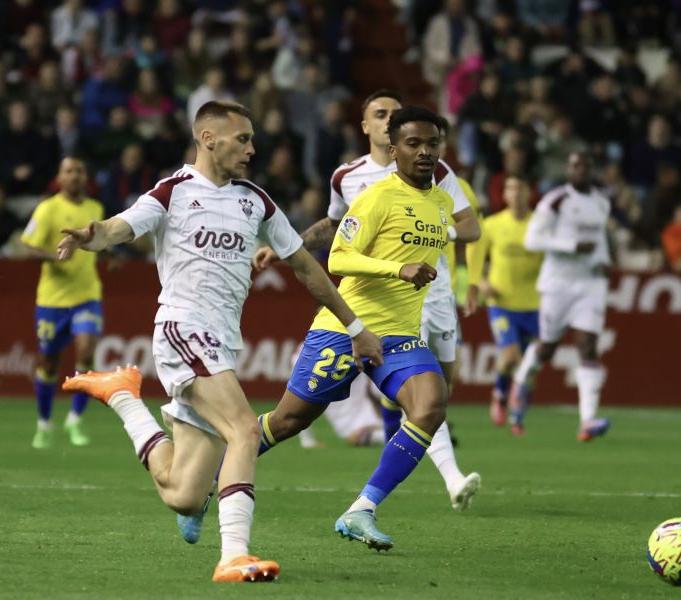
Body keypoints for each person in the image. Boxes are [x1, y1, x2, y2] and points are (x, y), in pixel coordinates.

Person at [57, 100, 383, 583]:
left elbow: (305, 267)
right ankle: (233, 554)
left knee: (184, 495)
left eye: (252, 140)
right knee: (245, 429)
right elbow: (119, 227)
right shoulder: (173, 191)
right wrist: (92, 235)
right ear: (208, 139)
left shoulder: (256, 201)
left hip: (221, 345)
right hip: (183, 330)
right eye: (243, 139)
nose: (252, 149)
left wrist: (355, 327)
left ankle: (123, 397)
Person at [253, 90, 482, 512]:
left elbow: (470, 227)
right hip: (352, 323)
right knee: (289, 420)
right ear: (384, 139)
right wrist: (291, 249)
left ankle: (364, 509)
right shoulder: (361, 185)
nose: (425, 151)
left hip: (411, 320)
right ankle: (217, 470)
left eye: (432, 143)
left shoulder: (441, 194)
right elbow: (338, 245)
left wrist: (457, 264)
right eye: (413, 142)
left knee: (433, 401)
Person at [510, 153, 612, 442]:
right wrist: (571, 245)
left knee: (588, 346)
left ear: (591, 170)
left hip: (590, 283)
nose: (580, 170)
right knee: (547, 348)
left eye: (585, 166)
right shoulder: (555, 200)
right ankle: (521, 380)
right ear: (568, 170)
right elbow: (532, 240)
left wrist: (604, 260)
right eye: (575, 166)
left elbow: (599, 239)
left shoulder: (602, 202)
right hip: (558, 285)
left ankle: (587, 420)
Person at [20, 157, 103, 449]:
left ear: (85, 176)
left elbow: (99, 243)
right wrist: (53, 257)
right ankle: (44, 424)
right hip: (52, 300)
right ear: (59, 177)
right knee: (49, 362)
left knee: (86, 352)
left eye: (79, 171)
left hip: (87, 296)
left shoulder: (96, 209)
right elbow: (27, 246)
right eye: (69, 171)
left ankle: (75, 420)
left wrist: (112, 256)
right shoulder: (47, 208)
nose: (74, 176)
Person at [465, 176, 543, 436]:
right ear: (505, 194)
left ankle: (518, 417)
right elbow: (475, 258)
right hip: (502, 303)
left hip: (535, 305)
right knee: (510, 356)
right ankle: (499, 394)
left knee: (528, 366)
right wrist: (482, 283)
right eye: (510, 188)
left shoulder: (540, 224)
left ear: (529, 192)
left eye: (520, 187)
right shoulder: (493, 224)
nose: (515, 193)